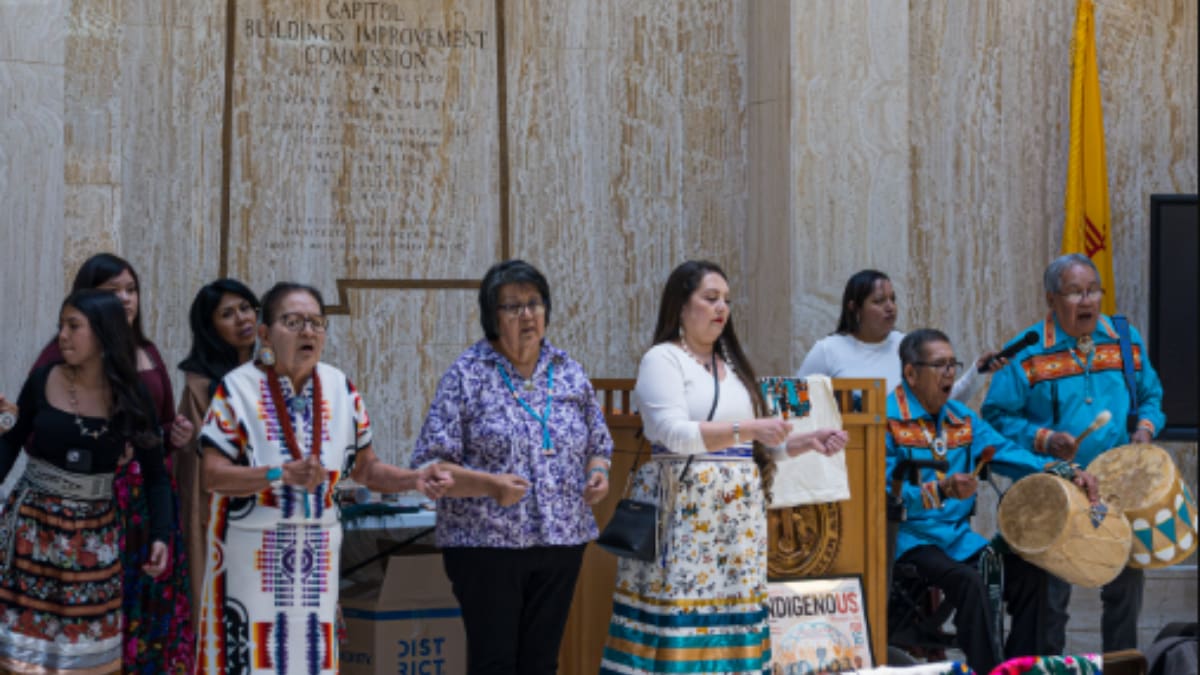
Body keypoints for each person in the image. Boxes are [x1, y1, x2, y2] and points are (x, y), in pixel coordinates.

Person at [599, 260, 848, 674]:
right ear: (681, 304)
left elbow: (746, 449)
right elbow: (671, 433)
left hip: (736, 522)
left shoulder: (732, 366)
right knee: (678, 614)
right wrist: (749, 427)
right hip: (683, 515)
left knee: (735, 617)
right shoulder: (662, 359)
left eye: (727, 301)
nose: (722, 309)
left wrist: (801, 442)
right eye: (710, 298)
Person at [196, 281, 451, 674]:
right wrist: (278, 474)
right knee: (251, 661)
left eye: (317, 323)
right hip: (252, 559)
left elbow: (366, 469)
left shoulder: (341, 389)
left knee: (311, 661)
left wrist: (415, 479)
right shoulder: (236, 389)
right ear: (264, 333)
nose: (308, 332)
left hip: (315, 560)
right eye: (293, 322)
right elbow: (212, 475)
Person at [411, 260, 614, 675]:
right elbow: (432, 465)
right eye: (513, 307)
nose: (527, 314)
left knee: (541, 662)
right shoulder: (466, 375)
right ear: (492, 317)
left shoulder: (568, 372)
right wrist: (489, 485)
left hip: (561, 538)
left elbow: (599, 442)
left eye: (534, 303)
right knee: (495, 662)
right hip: (486, 545)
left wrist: (600, 472)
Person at [887, 328, 1102, 673]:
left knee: (1032, 573)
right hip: (908, 539)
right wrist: (940, 491)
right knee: (972, 582)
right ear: (911, 373)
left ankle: (1019, 667)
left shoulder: (961, 419)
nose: (949, 374)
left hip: (957, 539)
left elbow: (1010, 452)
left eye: (952, 365)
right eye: (938, 365)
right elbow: (882, 494)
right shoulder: (885, 421)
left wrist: (1066, 470)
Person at [982, 253, 1166, 653]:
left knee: (1126, 587)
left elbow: (1151, 396)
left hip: (1116, 487)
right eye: (1074, 292)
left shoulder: (1123, 339)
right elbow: (993, 419)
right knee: (1050, 599)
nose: (1087, 301)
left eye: (1093, 290)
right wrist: (1045, 438)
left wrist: (1144, 430)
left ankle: (1121, 666)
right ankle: (1047, 667)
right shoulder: (1028, 353)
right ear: (1051, 299)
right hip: (1054, 489)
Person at [29, 252, 194, 672]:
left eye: (131, 289)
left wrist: (175, 436)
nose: (125, 299)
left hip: (146, 499)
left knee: (148, 607)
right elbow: (37, 434)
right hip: (89, 503)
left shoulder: (149, 352)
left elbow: (159, 428)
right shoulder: (56, 360)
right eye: (111, 291)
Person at [0, 289, 173, 673]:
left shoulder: (132, 396)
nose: (62, 335)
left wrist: (162, 535)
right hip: (31, 530)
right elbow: (10, 444)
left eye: (73, 326)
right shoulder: (44, 379)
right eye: (61, 325)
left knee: (87, 656)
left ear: (103, 334)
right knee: (20, 656)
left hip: (93, 540)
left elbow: (157, 477)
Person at [176, 278, 260, 627]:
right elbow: (198, 469)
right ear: (210, 328)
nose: (242, 319)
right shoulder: (200, 387)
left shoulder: (278, 369)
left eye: (245, 308)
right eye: (227, 314)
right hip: (226, 515)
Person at [796, 269, 1004, 402]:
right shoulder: (828, 350)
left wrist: (976, 372)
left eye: (892, 299)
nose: (890, 308)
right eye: (879, 301)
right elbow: (794, 402)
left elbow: (939, 401)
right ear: (854, 307)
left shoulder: (907, 346)